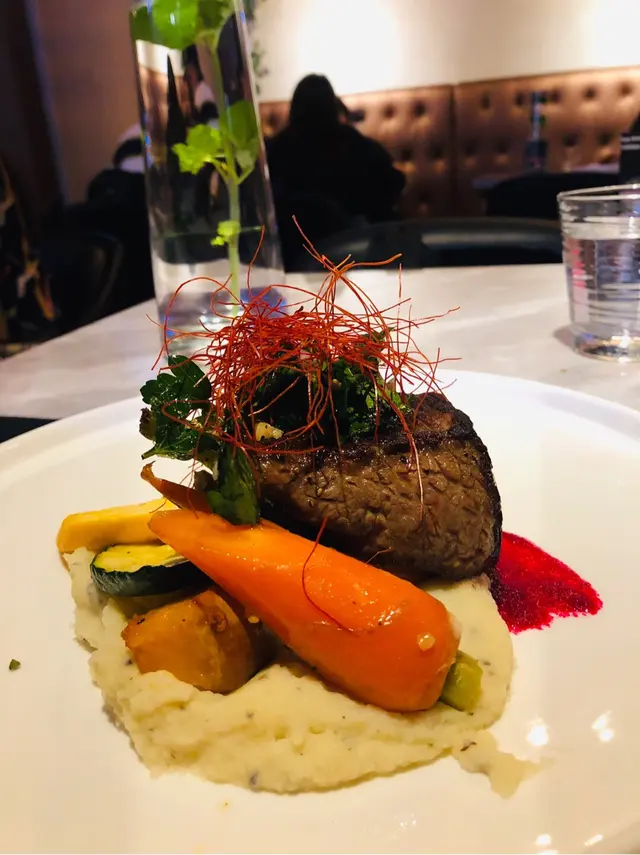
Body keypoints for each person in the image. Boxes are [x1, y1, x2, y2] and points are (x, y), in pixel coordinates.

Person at [266, 75, 405, 266]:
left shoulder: (275, 150)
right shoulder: (354, 145)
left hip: (290, 261)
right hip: (355, 260)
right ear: (332, 106)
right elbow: (394, 184)